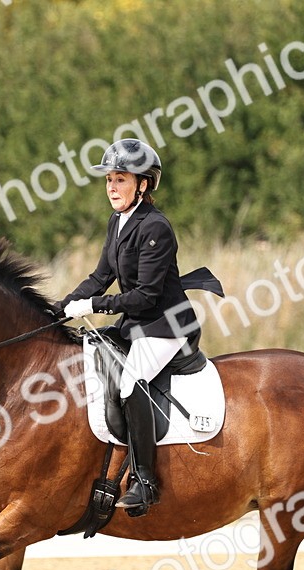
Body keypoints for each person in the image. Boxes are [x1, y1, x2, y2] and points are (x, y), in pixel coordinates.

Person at [59, 138, 200, 517]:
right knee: (91, 357)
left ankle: (145, 480)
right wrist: (58, 309)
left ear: (143, 184)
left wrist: (94, 305)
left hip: (166, 325)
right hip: (138, 324)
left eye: (120, 179)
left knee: (130, 382)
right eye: (109, 180)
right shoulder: (117, 221)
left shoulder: (156, 227)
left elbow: (145, 297)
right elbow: (100, 276)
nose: (112, 187)